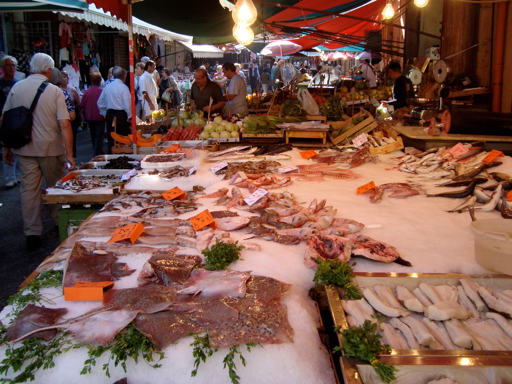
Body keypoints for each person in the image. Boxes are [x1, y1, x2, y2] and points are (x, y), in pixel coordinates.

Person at [2, 53, 74, 250]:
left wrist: (6, 147)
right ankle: (59, 222)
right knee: (55, 187)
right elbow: (64, 125)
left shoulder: (16, 87)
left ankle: (32, 232)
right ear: (49, 70)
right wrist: (70, 154)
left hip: (24, 147)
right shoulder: (54, 91)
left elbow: (5, 120)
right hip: (50, 147)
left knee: (28, 190)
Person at [97, 66, 132, 153]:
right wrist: (130, 116)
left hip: (110, 115)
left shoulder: (107, 87)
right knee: (122, 138)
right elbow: (127, 105)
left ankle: (112, 155)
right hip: (120, 115)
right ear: (124, 76)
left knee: (111, 139)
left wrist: (105, 113)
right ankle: (122, 155)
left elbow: (100, 103)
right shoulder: (123, 87)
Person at [0, 55, 20, 188]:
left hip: (17, 119)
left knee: (18, 146)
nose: (12, 68)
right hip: (3, 120)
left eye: (14, 65)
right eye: (9, 65)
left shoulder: (19, 83)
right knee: (5, 146)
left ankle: (17, 174)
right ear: (2, 67)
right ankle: (9, 177)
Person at [80, 72, 105, 156]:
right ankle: (97, 152)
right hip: (100, 116)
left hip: (89, 116)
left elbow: (82, 104)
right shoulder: (102, 91)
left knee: (93, 134)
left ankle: (97, 150)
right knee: (99, 135)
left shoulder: (87, 91)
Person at [61, 71, 81, 158]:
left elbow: (79, 103)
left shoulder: (72, 90)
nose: (63, 79)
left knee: (71, 137)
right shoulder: (56, 89)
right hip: (60, 117)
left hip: (71, 117)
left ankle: (72, 156)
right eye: (61, 77)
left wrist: (80, 115)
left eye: (65, 77)